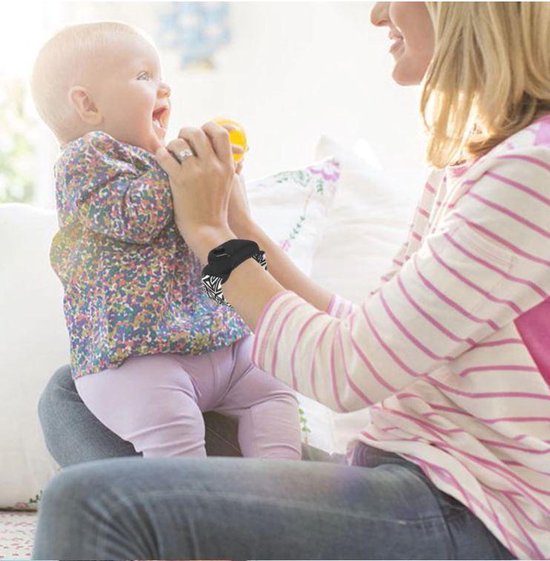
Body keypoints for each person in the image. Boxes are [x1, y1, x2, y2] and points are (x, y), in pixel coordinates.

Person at [33, 2, 550, 559]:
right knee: (74, 391)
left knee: (88, 504)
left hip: (470, 510)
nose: (378, 13)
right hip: (406, 464)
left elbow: (346, 371)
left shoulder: (528, 174)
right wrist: (240, 227)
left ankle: (199, 532)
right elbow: (371, 335)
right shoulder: (471, 164)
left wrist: (209, 233)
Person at [30, 22, 302, 461]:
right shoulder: (86, 159)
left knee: (273, 388)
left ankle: (284, 488)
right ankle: (188, 509)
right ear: (88, 104)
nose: (165, 88)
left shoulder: (157, 162)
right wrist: (180, 169)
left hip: (219, 340)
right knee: (173, 429)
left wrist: (219, 185)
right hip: (140, 356)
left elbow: (210, 255)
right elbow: (133, 217)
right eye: (144, 76)